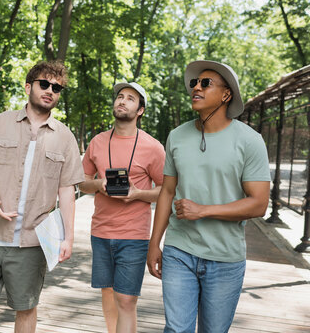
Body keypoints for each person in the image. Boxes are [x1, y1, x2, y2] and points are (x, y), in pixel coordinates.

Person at [0, 61, 84, 333]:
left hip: (33, 241)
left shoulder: (65, 138)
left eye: (57, 88)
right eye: (44, 84)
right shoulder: (0, 123)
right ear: (28, 87)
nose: (50, 90)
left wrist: (68, 237)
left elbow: (67, 190)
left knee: (25, 310)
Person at [147, 60, 271, 333]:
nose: (196, 88)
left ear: (226, 95)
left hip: (225, 257)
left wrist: (203, 210)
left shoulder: (250, 141)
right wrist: (154, 243)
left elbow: (259, 203)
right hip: (179, 250)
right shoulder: (177, 136)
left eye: (206, 83)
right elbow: (167, 191)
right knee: (176, 330)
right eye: (194, 83)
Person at [79, 82, 165, 333]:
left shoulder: (153, 146)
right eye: (120, 96)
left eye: (130, 99)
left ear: (140, 110)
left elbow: (167, 191)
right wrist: (98, 184)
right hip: (101, 231)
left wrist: (138, 193)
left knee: (126, 299)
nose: (122, 101)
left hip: (134, 235)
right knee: (107, 292)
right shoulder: (97, 142)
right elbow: (81, 182)